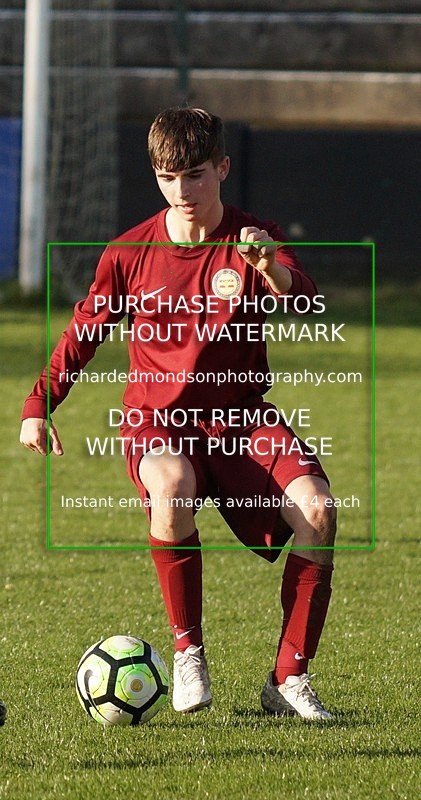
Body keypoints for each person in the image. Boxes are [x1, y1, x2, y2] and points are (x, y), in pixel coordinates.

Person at [20, 107, 336, 720]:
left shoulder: (253, 239)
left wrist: (269, 266)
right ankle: (188, 650)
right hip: (158, 425)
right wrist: (40, 404)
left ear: (222, 168)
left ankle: (288, 679)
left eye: (195, 174)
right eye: (168, 177)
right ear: (156, 176)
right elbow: (85, 332)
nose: (182, 191)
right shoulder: (129, 252)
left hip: (241, 419)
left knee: (319, 512)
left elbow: (303, 295)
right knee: (170, 488)